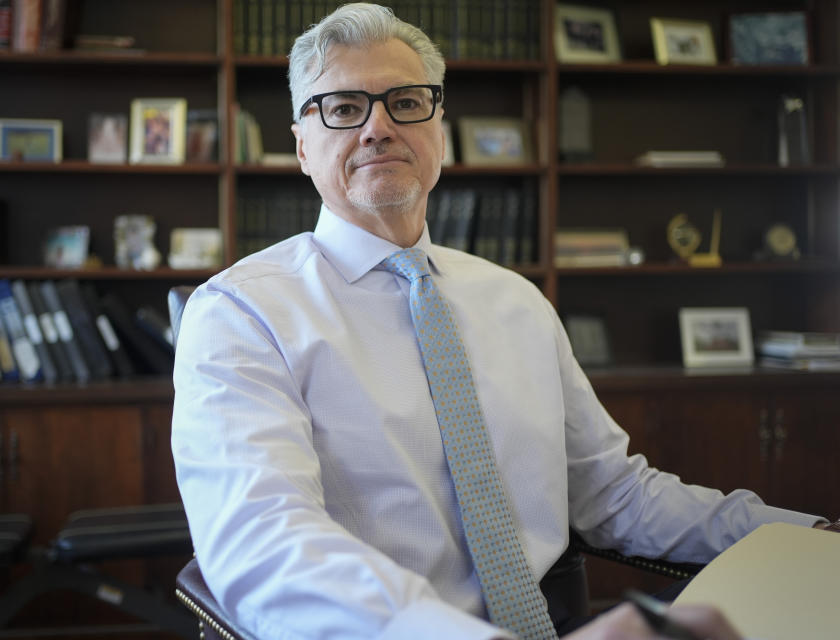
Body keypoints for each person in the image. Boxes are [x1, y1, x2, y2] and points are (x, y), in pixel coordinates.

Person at [172, 4, 836, 639]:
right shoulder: (240, 315)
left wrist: (802, 534)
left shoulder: (516, 301)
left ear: (438, 129)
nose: (376, 128)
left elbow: (617, 496)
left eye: (405, 102)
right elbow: (262, 541)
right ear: (301, 147)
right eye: (343, 109)